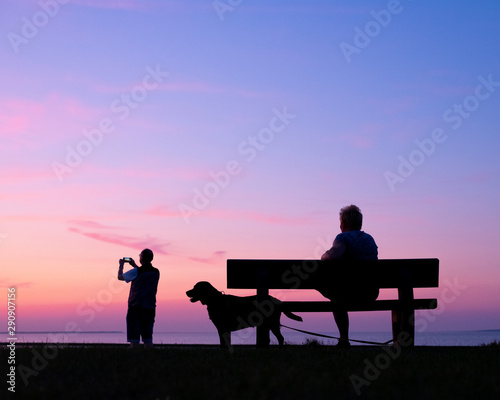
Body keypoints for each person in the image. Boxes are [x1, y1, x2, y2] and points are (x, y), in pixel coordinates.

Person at [319, 205, 378, 348]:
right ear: (360, 224)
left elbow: (335, 255)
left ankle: (344, 339)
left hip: (348, 293)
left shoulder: (343, 237)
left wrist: (324, 255)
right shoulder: (370, 239)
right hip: (370, 292)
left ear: (342, 224)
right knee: (337, 293)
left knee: (331, 291)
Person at [118, 248, 160, 348]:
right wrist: (134, 266)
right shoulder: (156, 272)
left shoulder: (137, 271)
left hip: (135, 308)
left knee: (134, 340)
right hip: (150, 308)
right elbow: (142, 273)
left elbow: (120, 277)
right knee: (148, 339)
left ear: (142, 258)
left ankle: (134, 361)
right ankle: (149, 361)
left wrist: (121, 265)